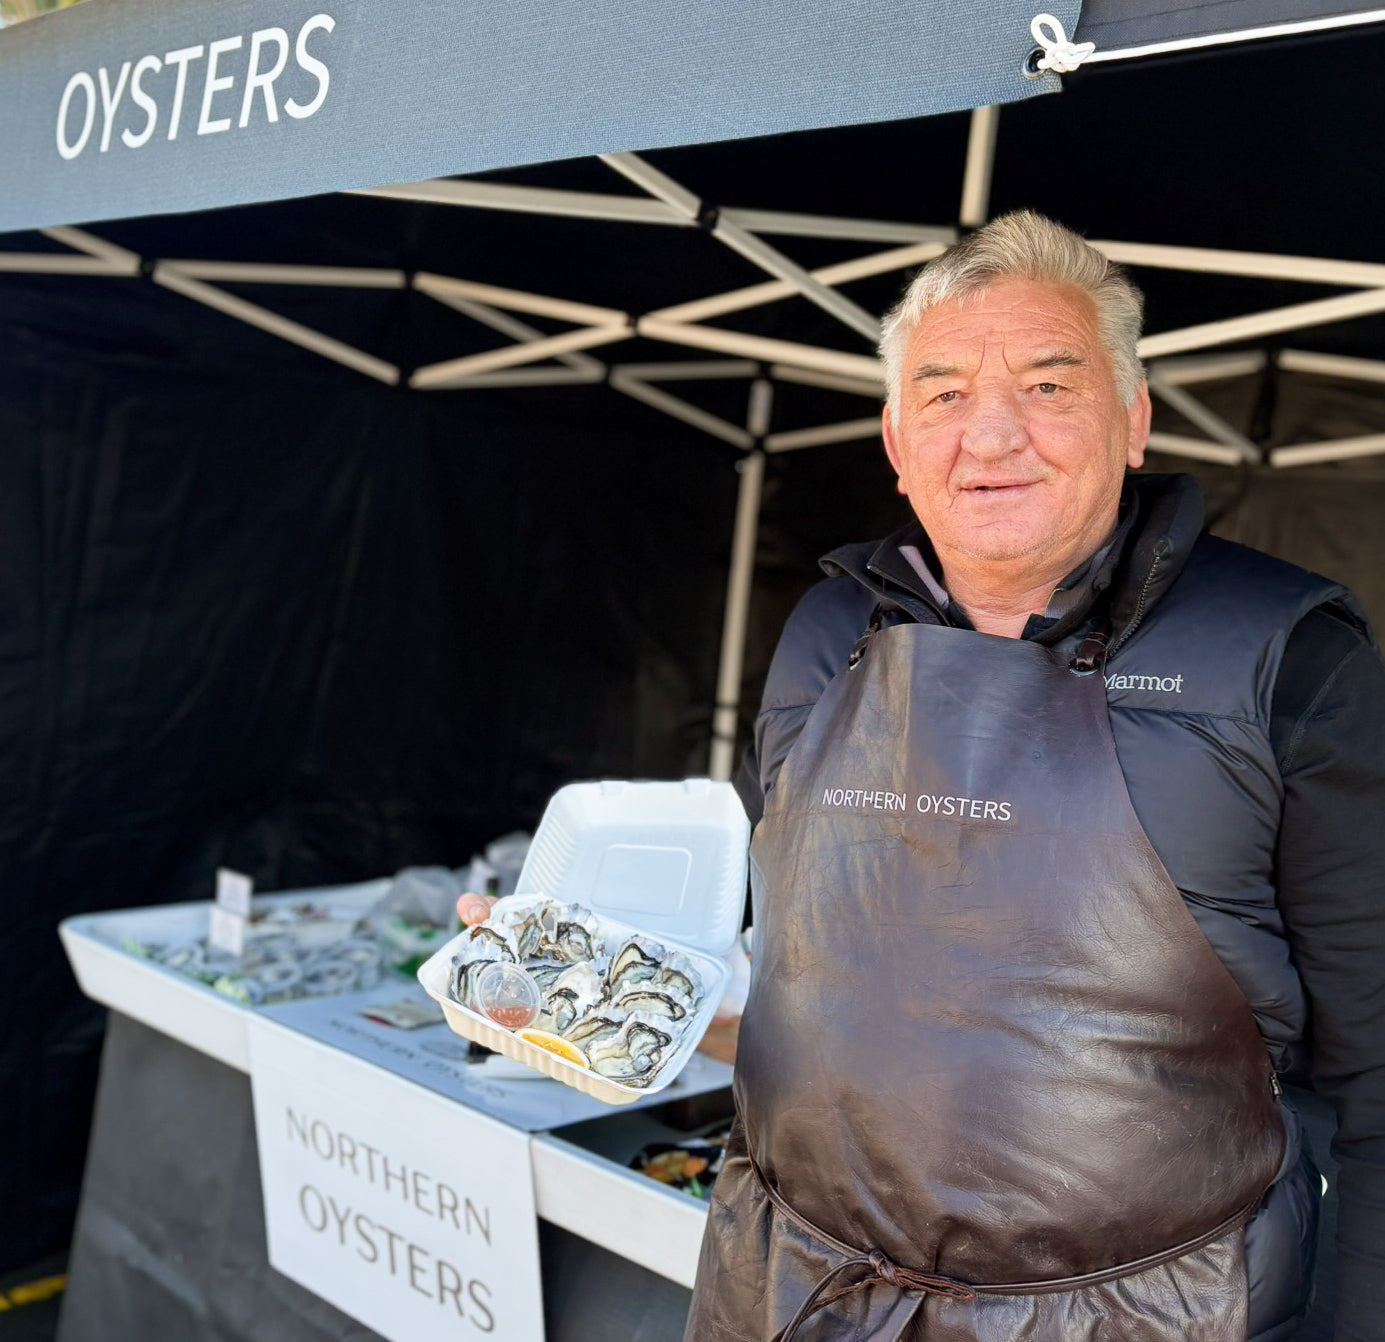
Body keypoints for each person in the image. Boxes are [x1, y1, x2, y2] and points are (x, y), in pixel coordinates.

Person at [463, 212, 1385, 1342]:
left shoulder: (1285, 653)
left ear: (1133, 419)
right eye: (943, 395)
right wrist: (585, 982)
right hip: (794, 1289)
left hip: (1156, 1313)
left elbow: (1373, 1067)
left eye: (1048, 386)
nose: (990, 435)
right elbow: (812, 981)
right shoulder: (822, 635)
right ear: (897, 442)